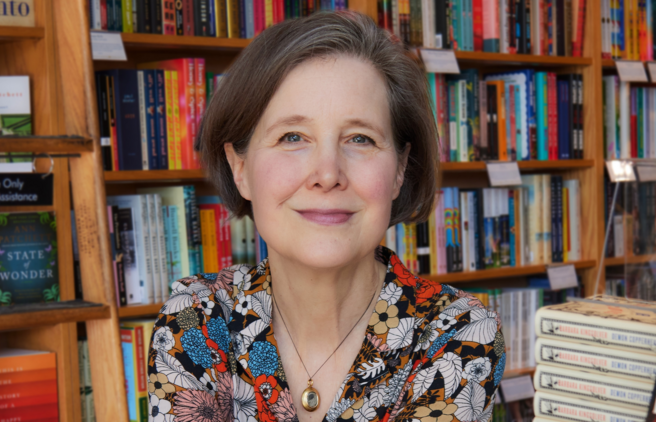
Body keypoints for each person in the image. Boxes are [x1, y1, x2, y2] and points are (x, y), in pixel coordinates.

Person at [146, 11, 505, 422]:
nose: (328, 174)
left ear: (400, 169)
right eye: (292, 137)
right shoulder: (196, 317)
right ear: (239, 168)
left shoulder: (458, 332)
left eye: (360, 139)